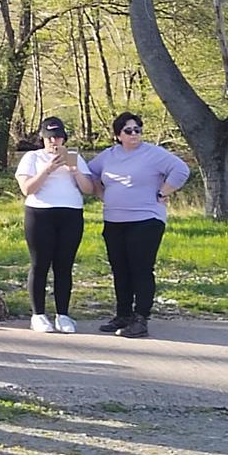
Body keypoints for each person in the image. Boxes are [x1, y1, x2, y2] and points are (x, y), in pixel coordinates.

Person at [87, 112, 189, 339]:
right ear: (118, 135)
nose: (134, 134)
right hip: (114, 220)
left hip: (146, 219)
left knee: (140, 269)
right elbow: (89, 172)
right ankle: (123, 315)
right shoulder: (108, 156)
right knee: (120, 269)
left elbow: (181, 170)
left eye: (138, 130)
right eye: (128, 131)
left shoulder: (153, 154)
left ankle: (140, 319)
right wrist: (100, 192)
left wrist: (164, 191)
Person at [15, 116, 95, 334]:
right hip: (40, 214)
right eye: (49, 138)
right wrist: (47, 170)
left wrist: (75, 171)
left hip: (70, 214)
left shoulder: (74, 158)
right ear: (42, 138)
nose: (54, 142)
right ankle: (38, 314)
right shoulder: (32, 158)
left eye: (58, 137)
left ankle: (63, 314)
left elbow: (88, 189)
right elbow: (27, 189)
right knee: (40, 264)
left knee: (64, 266)